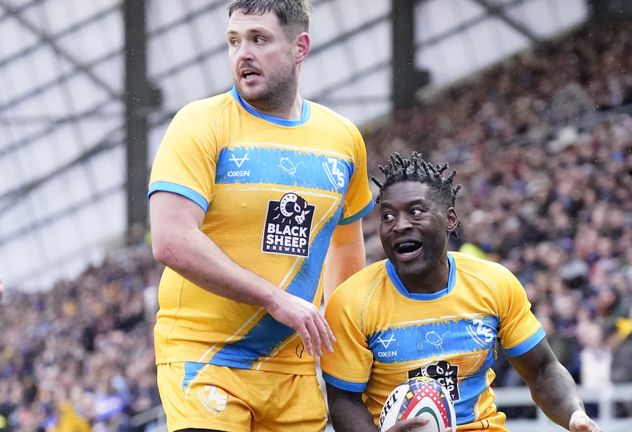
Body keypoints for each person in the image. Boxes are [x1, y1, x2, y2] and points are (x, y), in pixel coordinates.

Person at [147, 1, 373, 430]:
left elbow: (346, 251)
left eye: (259, 39)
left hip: (293, 371)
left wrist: (341, 356)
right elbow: (171, 240)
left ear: (299, 47)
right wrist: (275, 299)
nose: (242, 54)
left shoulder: (343, 139)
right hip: (205, 356)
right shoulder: (199, 123)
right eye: (234, 41)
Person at [321, 152, 600, 432]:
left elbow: (541, 370)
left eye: (416, 212)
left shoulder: (493, 283)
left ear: (450, 219)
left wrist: (575, 415)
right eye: (388, 216)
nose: (400, 225)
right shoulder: (352, 301)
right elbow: (344, 399)